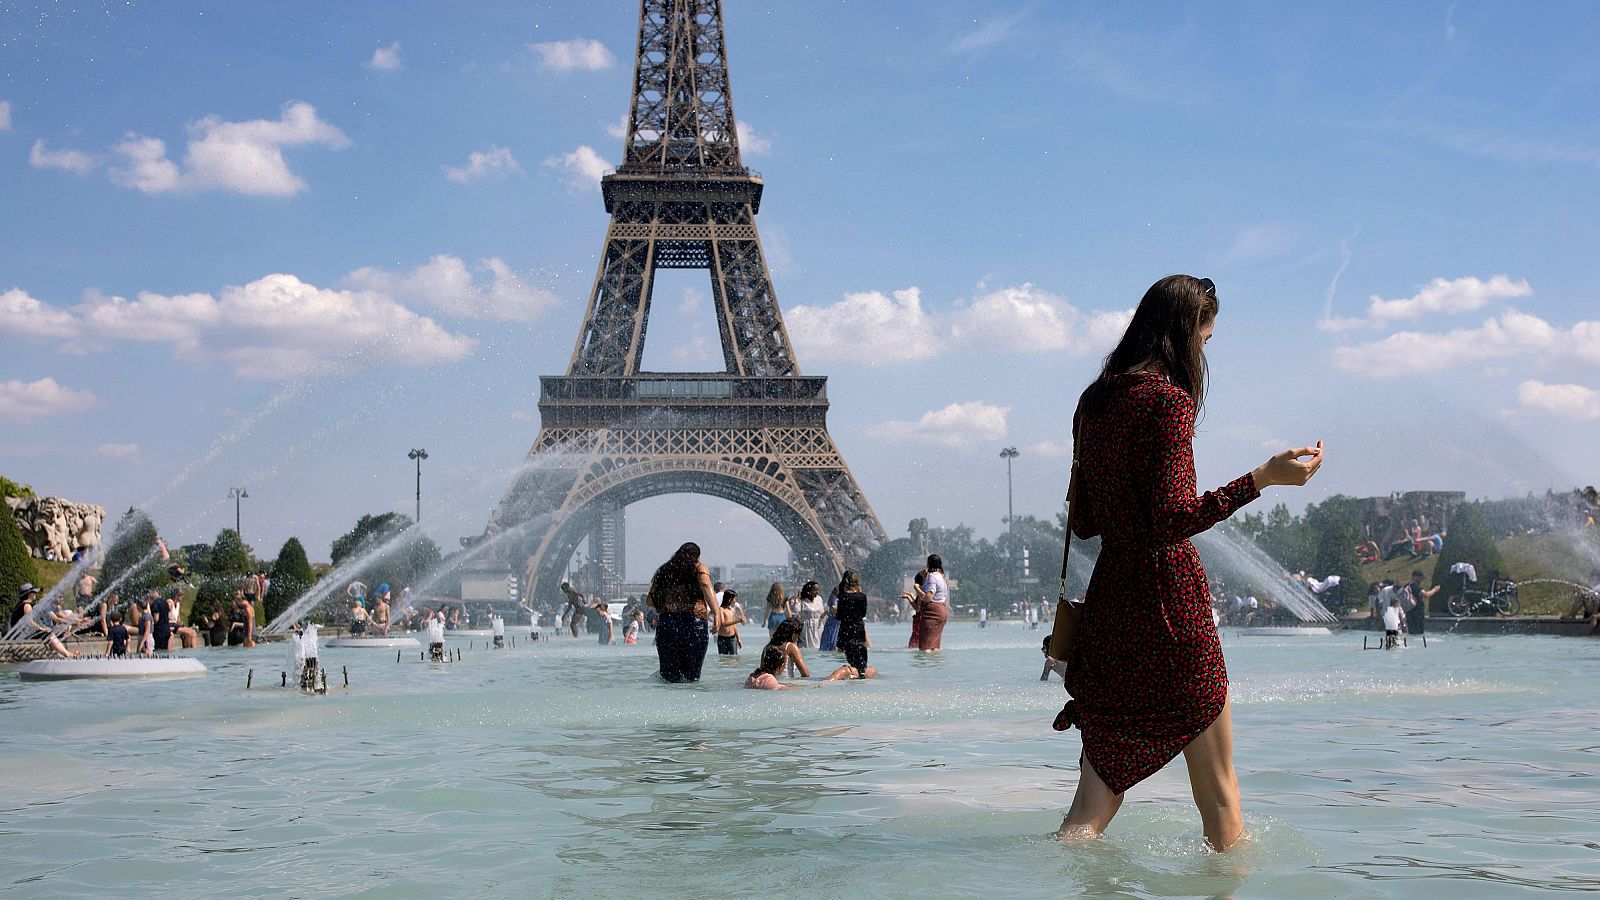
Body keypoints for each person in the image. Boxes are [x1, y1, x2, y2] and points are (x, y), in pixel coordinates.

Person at [1053, 274, 1322, 851]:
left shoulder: (1093, 400)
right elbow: (1173, 521)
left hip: (1111, 611)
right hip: (1170, 608)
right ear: (1183, 335)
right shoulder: (1167, 401)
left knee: (1087, 810)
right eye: (1205, 337)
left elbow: (1085, 522)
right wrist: (1263, 478)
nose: (1205, 351)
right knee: (1220, 796)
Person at [645, 542, 722, 683]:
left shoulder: (664, 570)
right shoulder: (699, 567)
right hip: (693, 623)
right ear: (696, 556)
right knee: (691, 677)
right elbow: (705, 583)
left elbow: (649, 600)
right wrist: (716, 613)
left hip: (667, 623)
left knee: (669, 678)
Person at [833, 570, 871, 678]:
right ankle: (862, 671)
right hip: (858, 627)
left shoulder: (843, 597)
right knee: (860, 649)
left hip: (846, 627)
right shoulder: (862, 596)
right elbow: (863, 613)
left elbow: (839, 616)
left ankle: (852, 672)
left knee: (849, 651)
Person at [916, 555, 950, 651]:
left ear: (928, 563)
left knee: (925, 647)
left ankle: (925, 665)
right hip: (942, 610)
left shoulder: (932, 577)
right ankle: (936, 665)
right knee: (934, 646)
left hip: (932, 612)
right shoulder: (941, 577)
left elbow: (928, 598)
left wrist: (917, 588)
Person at [1403, 570, 1439, 636]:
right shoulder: (1415, 586)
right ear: (1415, 577)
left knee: (1412, 631)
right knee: (1418, 632)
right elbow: (1426, 594)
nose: (1421, 580)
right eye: (1420, 578)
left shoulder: (1407, 585)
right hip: (1417, 612)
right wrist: (1435, 590)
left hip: (1409, 612)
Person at [795, 580, 826, 649]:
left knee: (819, 646)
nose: (817, 592)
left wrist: (825, 614)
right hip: (808, 626)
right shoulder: (803, 600)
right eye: (815, 590)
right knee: (809, 647)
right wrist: (798, 599)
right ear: (809, 591)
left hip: (818, 625)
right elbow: (796, 610)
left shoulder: (819, 599)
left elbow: (821, 613)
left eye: (818, 590)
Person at [903, 571, 925, 646]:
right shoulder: (925, 593)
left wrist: (909, 597)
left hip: (919, 620)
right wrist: (911, 595)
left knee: (914, 642)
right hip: (921, 619)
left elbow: (917, 608)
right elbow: (918, 603)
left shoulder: (921, 593)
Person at [819, 584, 841, 651]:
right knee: (832, 641)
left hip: (832, 621)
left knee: (829, 639)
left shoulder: (833, 599)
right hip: (835, 622)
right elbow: (834, 609)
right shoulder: (835, 599)